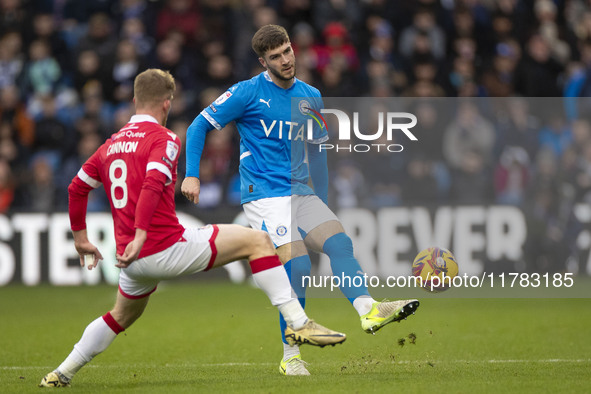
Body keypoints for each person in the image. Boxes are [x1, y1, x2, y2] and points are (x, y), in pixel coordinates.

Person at [39, 69, 345, 388]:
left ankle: (62, 372)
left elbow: (76, 188)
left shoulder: (110, 146)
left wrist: (81, 240)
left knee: (121, 315)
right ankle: (299, 322)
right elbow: (153, 183)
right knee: (258, 241)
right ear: (167, 103)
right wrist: (143, 231)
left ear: (134, 101)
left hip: (130, 258)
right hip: (165, 246)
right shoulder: (165, 138)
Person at [181, 25, 419, 376]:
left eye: (288, 51)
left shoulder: (310, 96)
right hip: (264, 194)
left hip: (300, 191)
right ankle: (290, 356)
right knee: (299, 266)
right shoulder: (247, 92)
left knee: (339, 243)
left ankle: (369, 311)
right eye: (275, 56)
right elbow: (198, 126)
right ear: (264, 61)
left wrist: (321, 201)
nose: (285, 60)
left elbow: (318, 150)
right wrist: (192, 174)